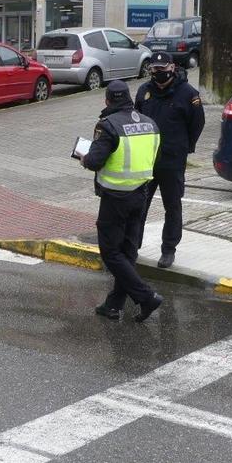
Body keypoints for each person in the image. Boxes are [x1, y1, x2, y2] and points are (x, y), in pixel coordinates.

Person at [81, 80, 165, 323]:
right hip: (140, 194)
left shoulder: (108, 126)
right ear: (128, 98)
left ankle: (146, 297)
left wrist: (84, 159)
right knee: (128, 251)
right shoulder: (151, 124)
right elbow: (155, 158)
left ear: (107, 100)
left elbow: (96, 161)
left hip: (115, 197)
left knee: (111, 252)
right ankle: (114, 304)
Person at [135, 51, 205, 269]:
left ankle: (168, 250)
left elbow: (197, 124)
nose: (158, 74)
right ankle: (132, 246)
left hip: (172, 161)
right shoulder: (144, 92)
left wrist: (184, 147)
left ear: (172, 68)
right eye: (154, 70)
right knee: (138, 206)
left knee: (172, 207)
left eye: (163, 69)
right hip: (146, 161)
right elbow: (135, 120)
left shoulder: (188, 94)